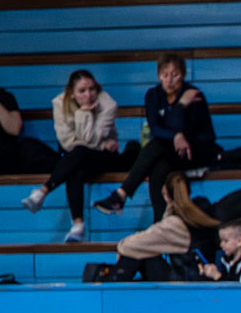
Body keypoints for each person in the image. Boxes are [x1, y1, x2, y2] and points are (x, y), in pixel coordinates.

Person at [92, 54, 217, 221]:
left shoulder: (193, 95)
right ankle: (159, 222)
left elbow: (186, 131)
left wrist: (180, 106)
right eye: (165, 75)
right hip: (168, 152)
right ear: (159, 76)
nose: (170, 80)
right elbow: (156, 128)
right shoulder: (153, 95)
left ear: (183, 75)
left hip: (194, 151)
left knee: (157, 146)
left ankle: (121, 194)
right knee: (158, 166)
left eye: (175, 75)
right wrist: (176, 136)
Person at [21, 70, 132, 241]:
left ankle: (43, 191)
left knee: (78, 154)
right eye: (82, 91)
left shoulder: (107, 104)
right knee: (76, 167)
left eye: (92, 89)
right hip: (77, 158)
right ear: (71, 93)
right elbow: (67, 143)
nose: (88, 95)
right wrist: (98, 141)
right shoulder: (60, 104)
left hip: (105, 157)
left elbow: (91, 140)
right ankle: (78, 226)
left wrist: (83, 114)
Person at [102, 171, 220, 281]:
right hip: (198, 274)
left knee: (137, 252)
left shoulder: (176, 224)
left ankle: (112, 284)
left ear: (166, 195)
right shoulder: (199, 210)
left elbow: (132, 244)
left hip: (187, 280)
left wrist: (120, 247)